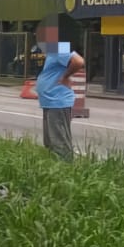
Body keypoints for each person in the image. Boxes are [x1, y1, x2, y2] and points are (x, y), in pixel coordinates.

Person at [35, 18, 85, 161]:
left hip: (57, 101)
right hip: (50, 102)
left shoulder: (59, 48)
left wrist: (65, 76)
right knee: (50, 142)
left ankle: (65, 171)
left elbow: (79, 62)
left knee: (59, 142)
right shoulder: (54, 50)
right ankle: (54, 170)